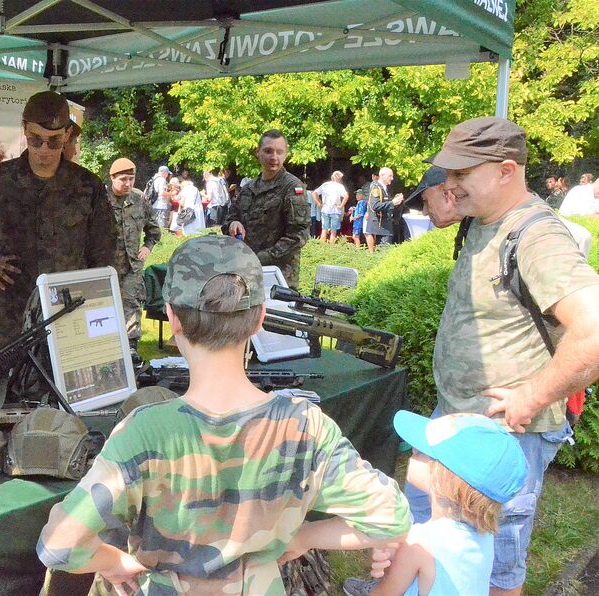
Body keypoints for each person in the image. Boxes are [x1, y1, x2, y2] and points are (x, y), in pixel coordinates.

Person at [37, 234, 411, 594]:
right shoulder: (306, 426)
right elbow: (391, 517)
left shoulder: (144, 433)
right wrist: (306, 536)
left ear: (172, 318)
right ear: (260, 317)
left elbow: (59, 544)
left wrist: (109, 562)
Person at [402, 117, 599, 595]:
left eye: (462, 175)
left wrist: (531, 397)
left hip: (507, 432)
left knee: (497, 561)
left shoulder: (536, 236)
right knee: (426, 525)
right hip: (459, 417)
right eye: (448, 174)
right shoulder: (487, 219)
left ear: (507, 171)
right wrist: (457, 200)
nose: (449, 185)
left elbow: (594, 330)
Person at [0, 91, 117, 347]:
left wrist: (99, 309)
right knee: (12, 385)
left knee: (67, 387)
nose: (44, 149)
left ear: (66, 135)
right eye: (35, 139)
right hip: (13, 316)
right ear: (24, 130)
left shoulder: (87, 186)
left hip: (68, 312)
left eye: (54, 141)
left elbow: (105, 253)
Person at [359, 411, 527, 596]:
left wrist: (394, 555)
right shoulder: (484, 534)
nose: (413, 451)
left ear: (445, 479)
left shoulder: (418, 544)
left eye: (422, 451)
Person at [224, 129, 310, 288]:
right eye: (268, 151)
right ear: (258, 152)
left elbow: (298, 236)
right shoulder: (249, 188)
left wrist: (259, 258)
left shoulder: (292, 187)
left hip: (278, 278)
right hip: (245, 275)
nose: (274, 157)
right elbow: (229, 218)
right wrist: (233, 224)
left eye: (279, 152)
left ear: (286, 154)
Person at [106, 157, 161, 364]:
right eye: (123, 179)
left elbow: (154, 230)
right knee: (105, 308)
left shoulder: (139, 199)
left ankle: (131, 348)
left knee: (131, 305)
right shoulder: (101, 200)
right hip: (106, 266)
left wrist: (147, 247)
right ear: (112, 178)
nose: (128, 183)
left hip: (132, 266)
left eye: (131, 178)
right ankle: (106, 347)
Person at [363, 167, 403, 252]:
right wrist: (392, 203)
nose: (392, 178)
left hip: (384, 225)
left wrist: (394, 200)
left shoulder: (384, 188)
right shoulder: (376, 188)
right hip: (381, 225)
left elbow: (384, 201)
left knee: (383, 250)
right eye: (390, 176)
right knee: (384, 251)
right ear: (382, 175)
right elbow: (375, 205)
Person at [313, 170, 350, 244]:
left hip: (325, 210)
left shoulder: (325, 185)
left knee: (324, 229)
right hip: (335, 211)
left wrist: (318, 203)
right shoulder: (339, 186)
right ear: (339, 178)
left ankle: (322, 246)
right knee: (333, 231)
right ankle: (331, 247)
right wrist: (341, 206)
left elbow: (314, 193)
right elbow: (346, 196)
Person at [170, 171, 206, 235]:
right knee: (198, 227)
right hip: (197, 209)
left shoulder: (185, 189)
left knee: (189, 228)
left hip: (189, 211)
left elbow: (181, 202)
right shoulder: (195, 189)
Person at [147, 165, 172, 230]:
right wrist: (172, 194)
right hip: (160, 206)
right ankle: (162, 239)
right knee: (161, 227)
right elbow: (162, 193)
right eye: (167, 174)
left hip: (153, 204)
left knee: (153, 225)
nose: (167, 175)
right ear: (164, 172)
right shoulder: (162, 180)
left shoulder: (153, 178)